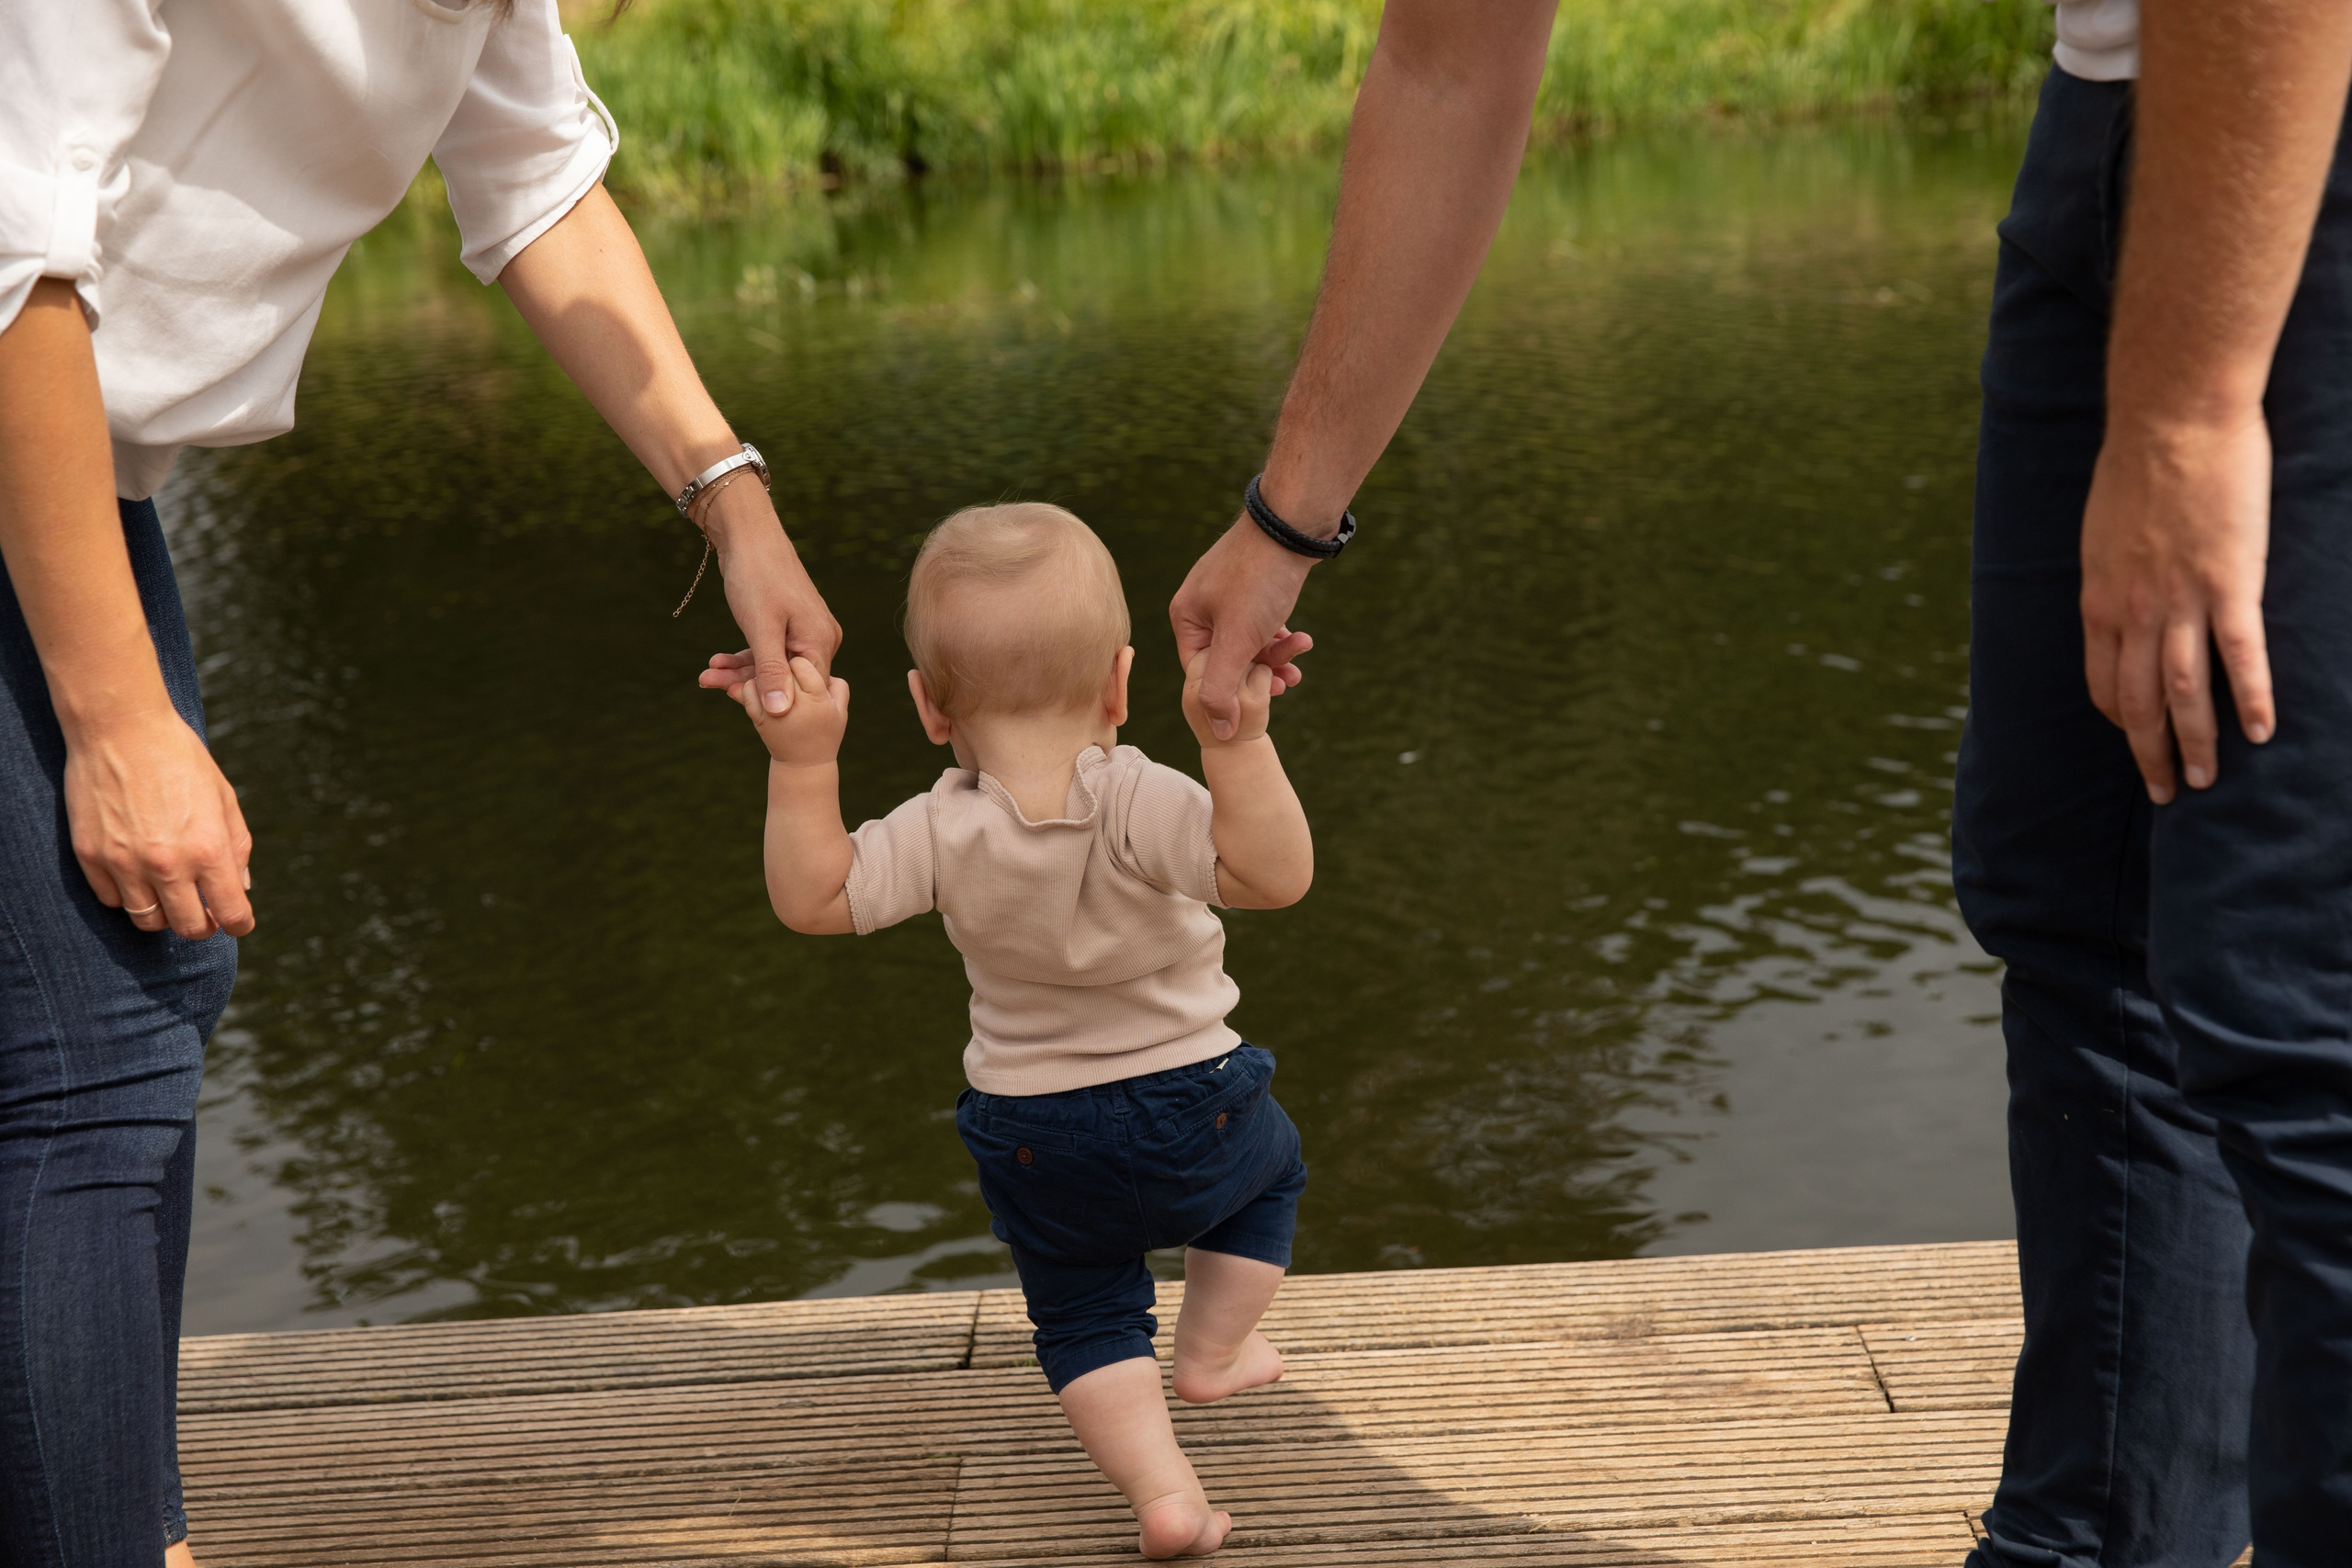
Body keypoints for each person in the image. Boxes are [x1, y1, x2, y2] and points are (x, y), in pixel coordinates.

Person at [0, 3, 839, 1563]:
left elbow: (542, 190)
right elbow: (6, 254)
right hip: (19, 431)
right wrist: (116, 722)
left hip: (84, 476)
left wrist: (737, 508)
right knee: (90, 1053)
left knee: (149, 995)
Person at [1951, 0, 2352, 1562]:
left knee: (2298, 996)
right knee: (2082, 902)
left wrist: (2189, 409)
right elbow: (1460, 53)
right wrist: (1291, 518)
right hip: (2122, 104)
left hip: (2291, 116)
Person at [738, 502, 1312, 1559]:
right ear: (1119, 684)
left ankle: (1164, 1496)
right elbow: (1272, 879)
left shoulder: (941, 826)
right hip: (1203, 1103)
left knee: (1084, 1313)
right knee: (1270, 1177)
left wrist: (802, 761)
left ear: (928, 708)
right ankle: (1213, 1349)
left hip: (1034, 1131)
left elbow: (814, 898)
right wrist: (1239, 740)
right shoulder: (1139, 795)